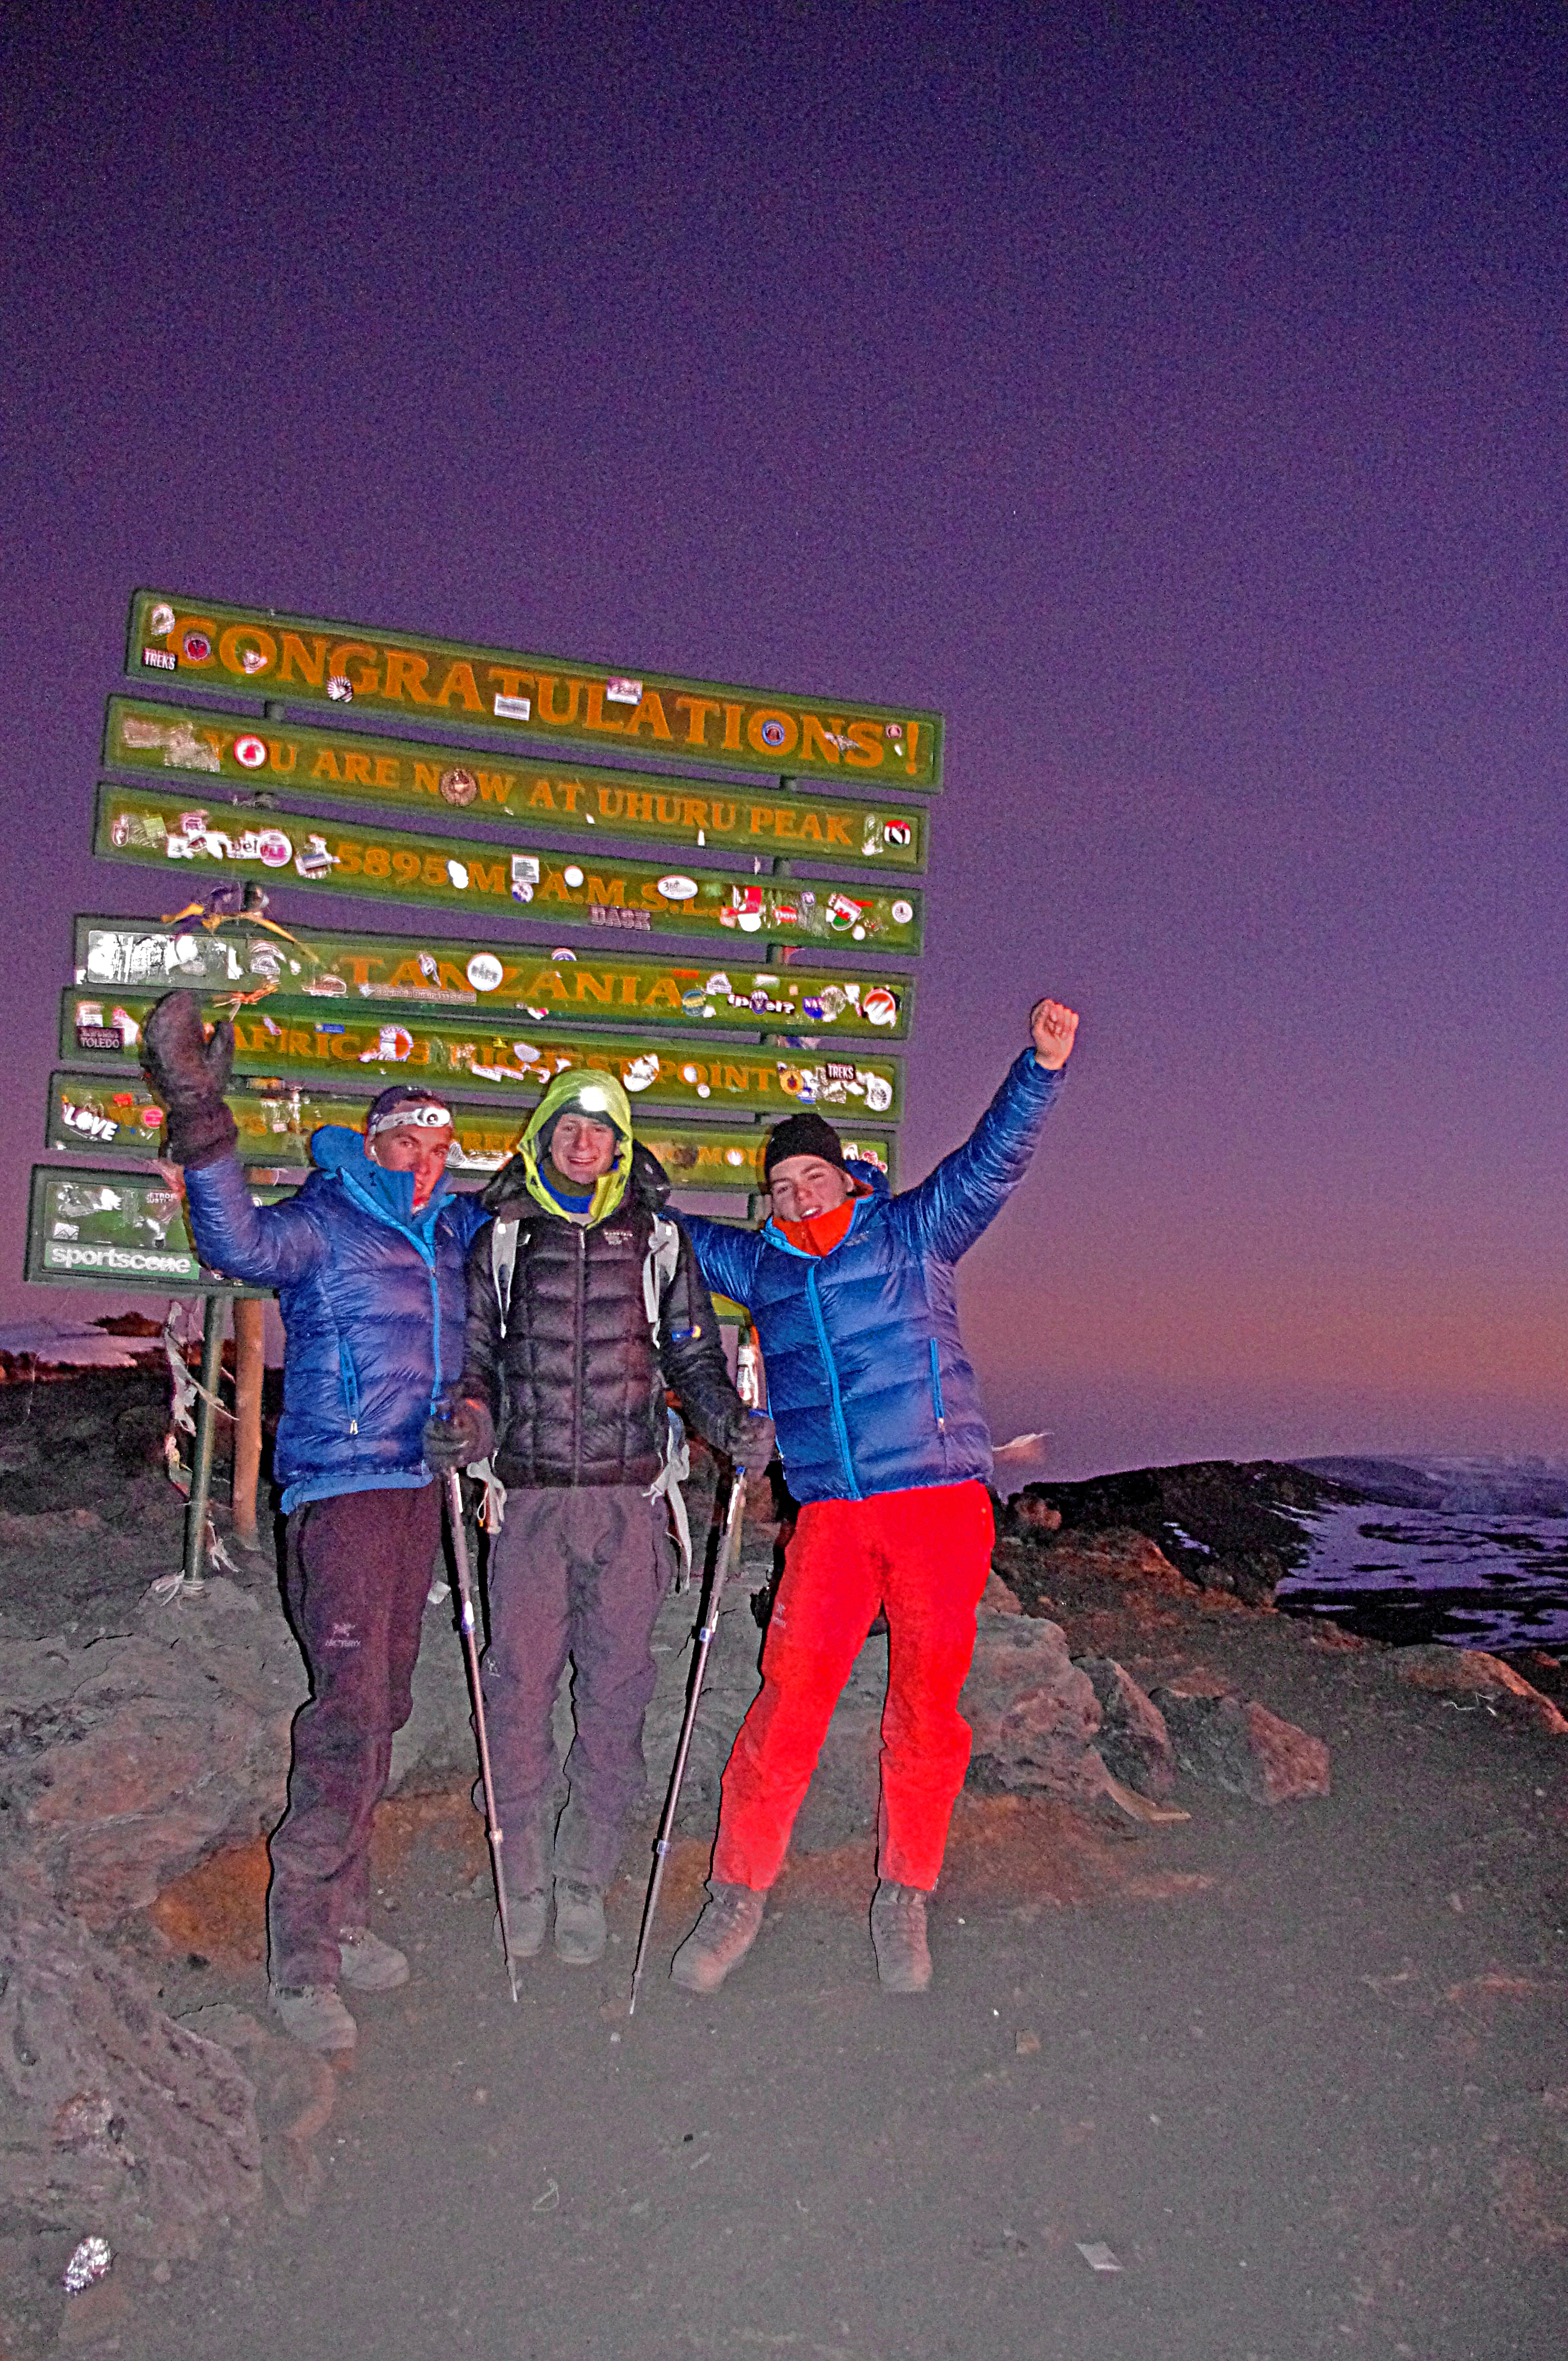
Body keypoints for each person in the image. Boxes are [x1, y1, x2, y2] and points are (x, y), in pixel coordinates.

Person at [668, 994, 1080, 1995]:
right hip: (832, 1517)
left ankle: (906, 1897)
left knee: (926, 1710)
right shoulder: (759, 1265)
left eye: (813, 1176)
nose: (798, 1196)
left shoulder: (911, 1231)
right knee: (790, 1697)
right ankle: (738, 1894)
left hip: (939, 1503)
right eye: (780, 1186)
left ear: (847, 1173)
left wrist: (1040, 1068)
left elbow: (993, 1162)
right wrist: (628, 1192)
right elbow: (665, 1241)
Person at [140, 991, 490, 2054]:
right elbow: (235, 1243)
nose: (428, 1155)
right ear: (375, 1142)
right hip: (338, 1490)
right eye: (409, 1137)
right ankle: (301, 1958)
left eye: (442, 1141)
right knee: (346, 1714)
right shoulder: (326, 1217)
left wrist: (471, 1416)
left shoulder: (450, 1240)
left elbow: (469, 1358)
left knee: (382, 1709)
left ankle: (345, 1914)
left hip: (415, 1489)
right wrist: (201, 1114)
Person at [424, 1068, 775, 1968]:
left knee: (617, 1696)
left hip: (629, 1502)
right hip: (531, 1500)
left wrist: (726, 1423)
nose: (586, 1144)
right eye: (570, 1128)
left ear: (621, 1143)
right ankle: (524, 1876)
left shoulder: (656, 1238)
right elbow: (476, 1365)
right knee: (517, 1693)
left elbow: (693, 1358)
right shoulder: (502, 1237)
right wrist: (468, 1424)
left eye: (602, 1130)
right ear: (545, 1134)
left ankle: (586, 1877)